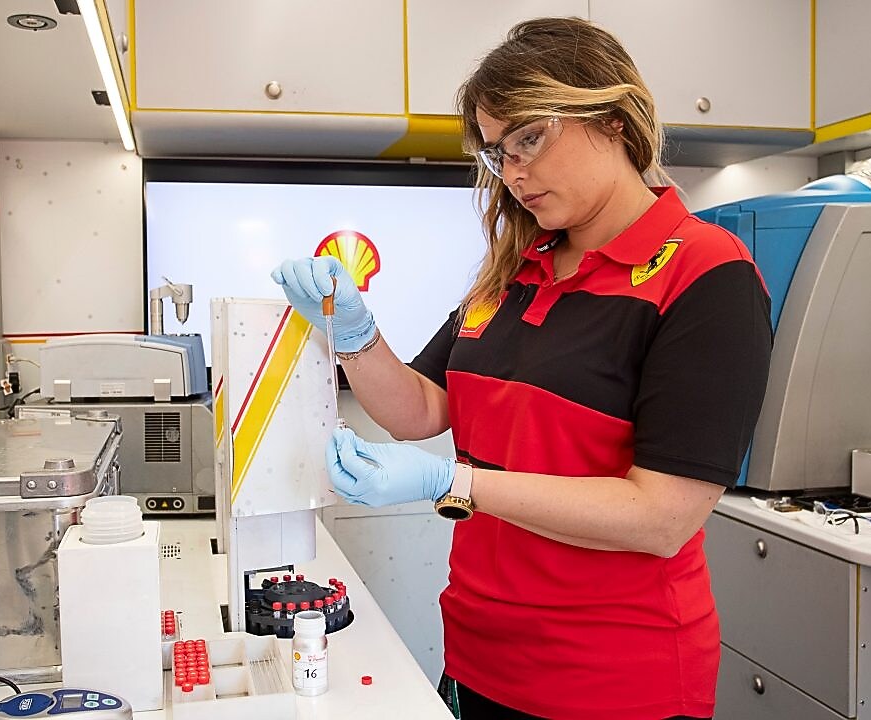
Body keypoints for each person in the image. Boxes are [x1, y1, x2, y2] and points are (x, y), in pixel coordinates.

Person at [272, 17, 772, 720]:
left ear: (614, 117)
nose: (512, 172)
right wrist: (353, 334)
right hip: (480, 654)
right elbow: (422, 407)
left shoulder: (706, 274)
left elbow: (662, 517)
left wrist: (460, 483)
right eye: (496, 152)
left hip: (614, 679)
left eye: (529, 139)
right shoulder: (515, 271)